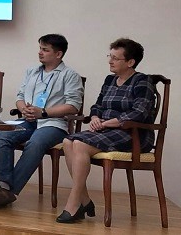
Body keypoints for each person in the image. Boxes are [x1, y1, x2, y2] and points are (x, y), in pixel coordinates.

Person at [56, 38, 156, 223]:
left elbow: (139, 113)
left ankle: (74, 202)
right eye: (110, 56)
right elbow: (98, 105)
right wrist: (95, 117)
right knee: (68, 141)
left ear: (130, 62)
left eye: (115, 58)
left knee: (80, 144)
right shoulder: (110, 80)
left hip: (133, 134)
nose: (110, 61)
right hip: (107, 131)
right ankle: (84, 200)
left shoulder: (142, 81)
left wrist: (108, 123)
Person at [0, 34, 84, 206]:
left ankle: (10, 192)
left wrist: (42, 112)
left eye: (45, 50)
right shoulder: (32, 71)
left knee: (35, 142)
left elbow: (73, 106)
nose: (40, 52)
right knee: (3, 135)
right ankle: (2, 185)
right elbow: (20, 96)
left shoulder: (70, 75)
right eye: (40, 49)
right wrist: (24, 109)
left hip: (54, 124)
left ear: (58, 54)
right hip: (28, 121)